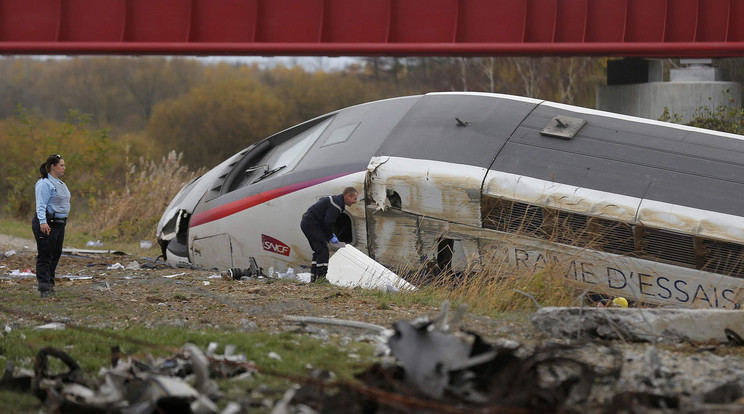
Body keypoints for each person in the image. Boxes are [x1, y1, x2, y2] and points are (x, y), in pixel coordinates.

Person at [31, 154, 70, 298]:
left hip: (59, 224)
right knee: (45, 254)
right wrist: (42, 222)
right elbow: (40, 205)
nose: (64, 168)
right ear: (53, 166)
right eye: (61, 165)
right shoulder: (44, 183)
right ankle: (44, 287)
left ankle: (50, 283)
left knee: (56, 254)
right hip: (47, 223)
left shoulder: (59, 183)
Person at [300, 186, 358, 283]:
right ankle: (321, 278)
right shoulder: (337, 205)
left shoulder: (336, 200)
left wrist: (328, 236)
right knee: (323, 250)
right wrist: (330, 236)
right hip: (312, 224)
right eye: (355, 199)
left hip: (309, 223)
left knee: (318, 251)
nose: (355, 201)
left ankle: (314, 278)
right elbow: (328, 222)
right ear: (348, 196)